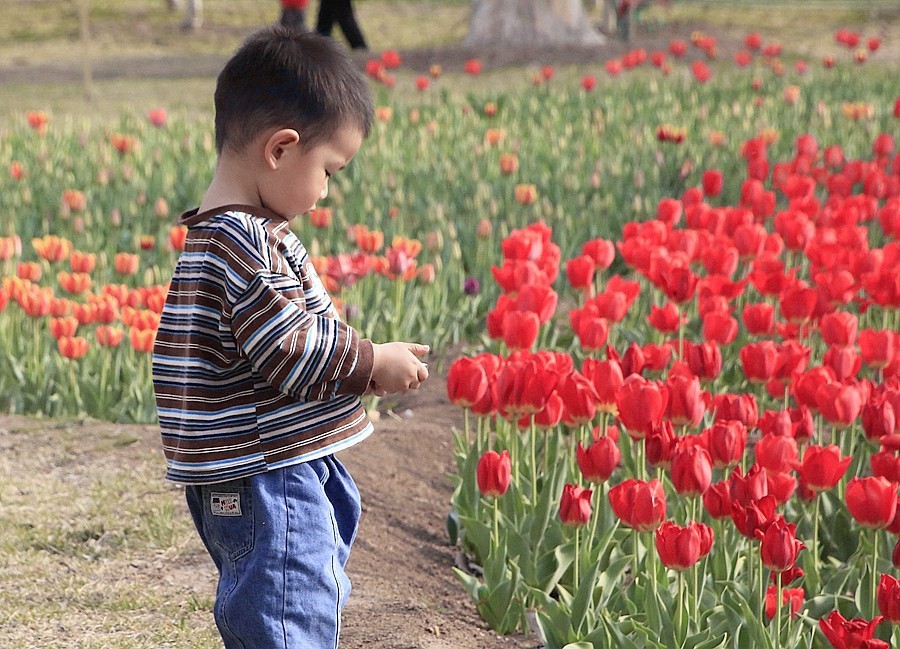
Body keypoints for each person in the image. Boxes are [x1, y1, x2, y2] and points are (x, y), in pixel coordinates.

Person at [151, 27, 429, 649]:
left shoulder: (220, 237)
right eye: (328, 170)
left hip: (259, 465)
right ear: (281, 149)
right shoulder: (243, 241)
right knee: (287, 612)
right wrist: (370, 361)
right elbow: (286, 348)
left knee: (296, 597)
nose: (327, 190)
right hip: (268, 470)